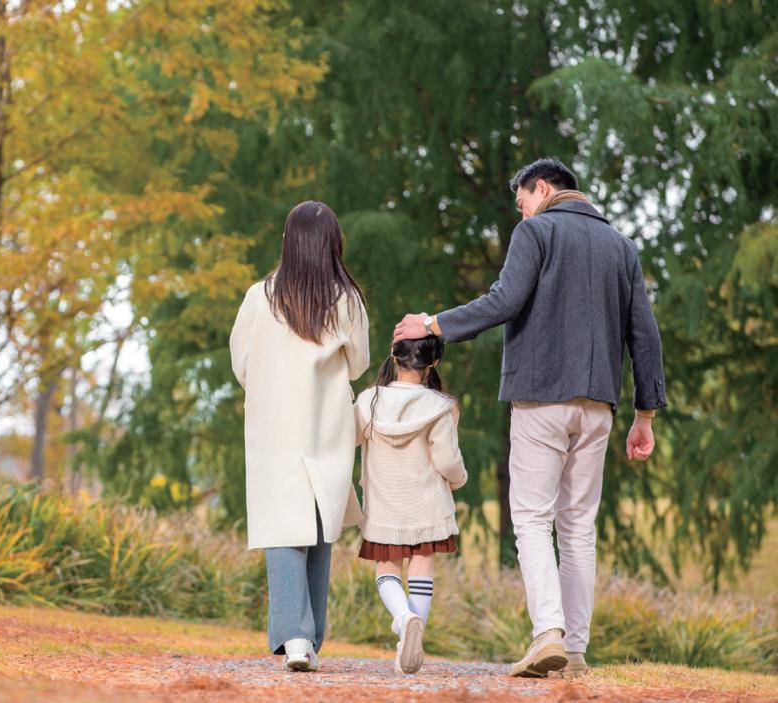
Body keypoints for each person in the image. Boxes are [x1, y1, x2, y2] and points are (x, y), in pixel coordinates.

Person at [393, 158, 666, 678]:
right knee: (579, 527)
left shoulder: (537, 232)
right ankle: (577, 651)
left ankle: (548, 634)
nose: (522, 215)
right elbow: (644, 334)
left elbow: (504, 300)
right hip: (599, 404)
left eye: (522, 203)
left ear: (541, 189)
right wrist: (644, 414)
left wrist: (431, 322)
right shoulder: (622, 247)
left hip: (542, 397)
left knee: (533, 519)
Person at [230, 200, 369, 672]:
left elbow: (241, 363)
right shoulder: (346, 298)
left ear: (288, 241)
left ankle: (295, 638)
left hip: (273, 427)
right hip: (325, 424)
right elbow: (360, 363)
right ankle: (305, 638)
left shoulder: (259, 297)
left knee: (282, 528)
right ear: (332, 243)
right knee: (318, 527)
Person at [353, 336, 466, 674]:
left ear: (394, 356)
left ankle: (404, 619)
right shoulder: (440, 405)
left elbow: (349, 438)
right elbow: (447, 460)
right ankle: (411, 636)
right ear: (434, 363)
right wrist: (459, 479)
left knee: (386, 570)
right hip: (426, 503)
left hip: (384, 503)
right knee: (421, 566)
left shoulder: (368, 400)